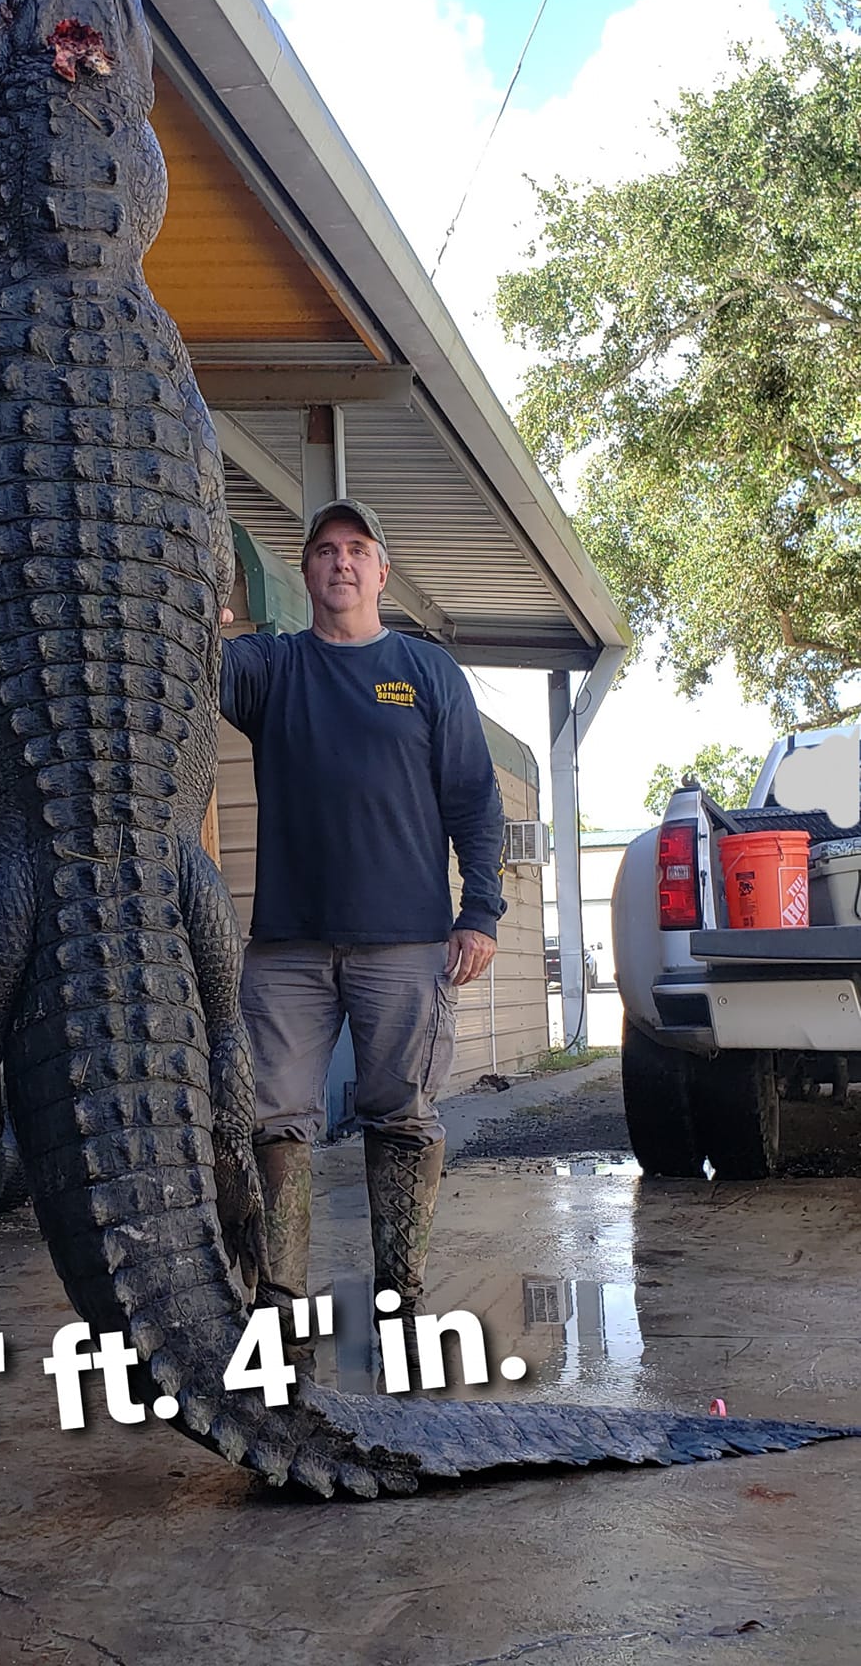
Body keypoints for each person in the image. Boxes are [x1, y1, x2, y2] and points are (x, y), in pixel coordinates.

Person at [220, 498, 506, 1370]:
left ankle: (403, 1311)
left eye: (357, 550)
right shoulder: (271, 669)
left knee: (404, 1120)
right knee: (274, 1122)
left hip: (406, 946)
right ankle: (279, 1322)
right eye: (324, 550)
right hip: (288, 950)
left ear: (381, 571)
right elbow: (183, 669)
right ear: (304, 573)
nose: (340, 562)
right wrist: (200, 622)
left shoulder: (425, 672)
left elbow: (475, 801)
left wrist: (481, 912)